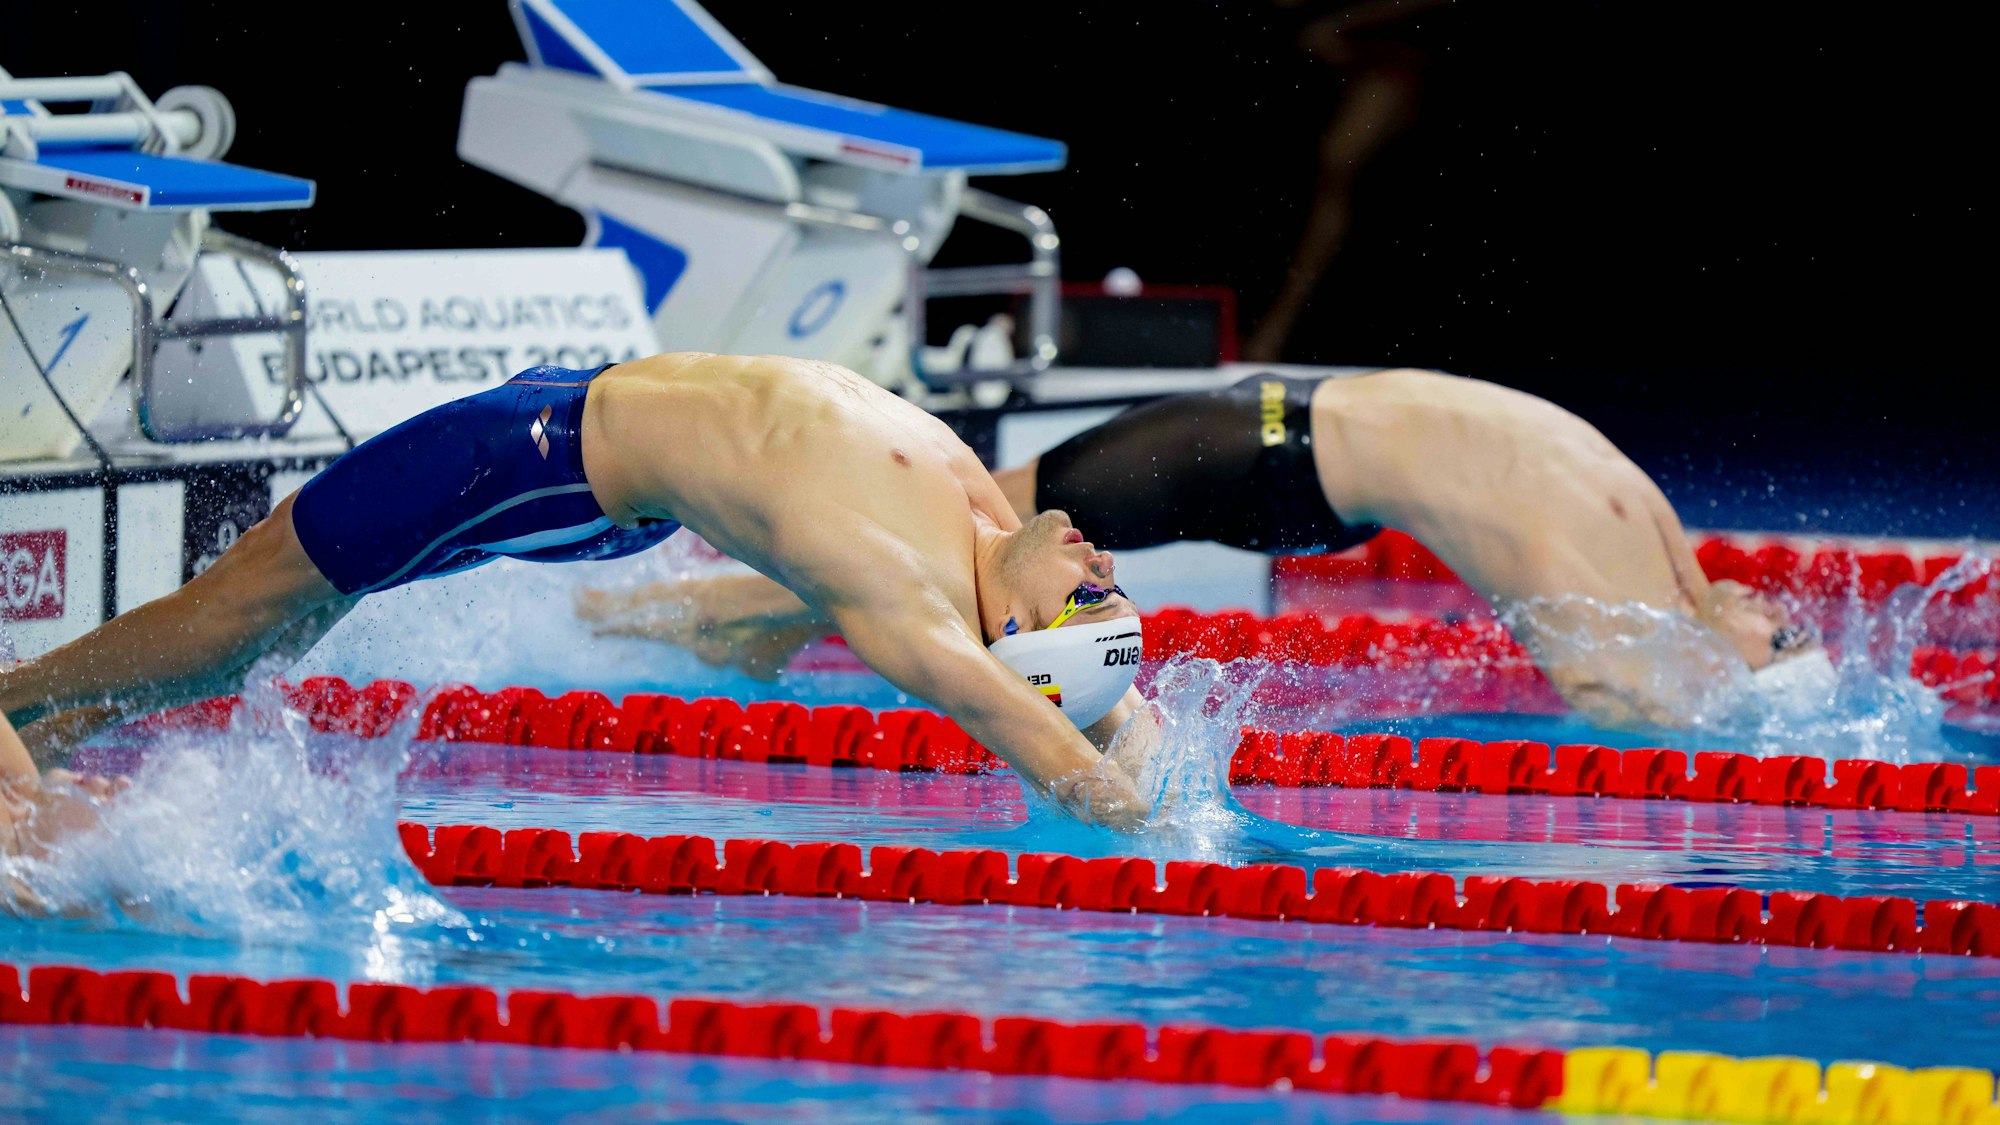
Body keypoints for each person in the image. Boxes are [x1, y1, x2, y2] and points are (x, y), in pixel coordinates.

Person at [0, 355, 1153, 828]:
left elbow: (1033, 739)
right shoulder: (980, 522)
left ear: (1014, 628)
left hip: (532, 460)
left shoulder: (904, 594)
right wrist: (1124, 707)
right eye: (1107, 590)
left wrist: (1143, 813)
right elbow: (1087, 708)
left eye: (1090, 597)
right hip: (570, 418)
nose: (1102, 567)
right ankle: (60, 727)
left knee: (250, 598)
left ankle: (12, 700)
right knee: (275, 618)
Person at [580, 368, 1822, 730]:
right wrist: (1711, 730)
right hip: (1235, 452)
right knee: (945, 570)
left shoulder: (1655, 546)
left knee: (941, 566)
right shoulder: (1607, 538)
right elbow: (1600, 688)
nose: (1772, 634)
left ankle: (708, 621)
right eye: (1777, 645)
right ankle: (650, 620)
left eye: (1777, 646)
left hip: (1260, 446)